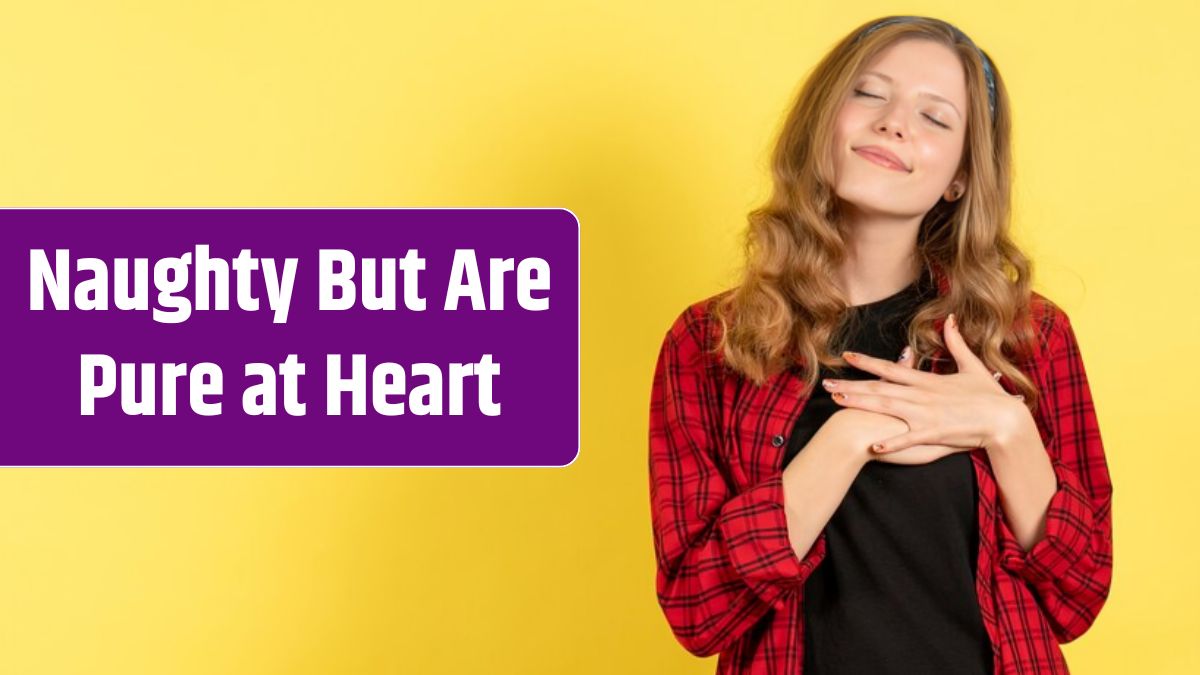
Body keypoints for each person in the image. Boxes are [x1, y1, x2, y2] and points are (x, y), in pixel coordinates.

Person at [647, 15, 1113, 674]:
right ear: (821, 123)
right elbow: (699, 611)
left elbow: (1078, 597)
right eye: (869, 93)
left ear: (958, 176)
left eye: (936, 117)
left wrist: (1006, 427)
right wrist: (849, 437)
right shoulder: (710, 343)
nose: (895, 122)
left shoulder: (1025, 337)